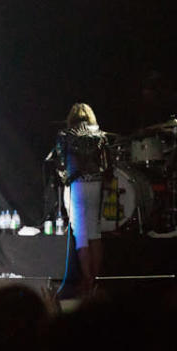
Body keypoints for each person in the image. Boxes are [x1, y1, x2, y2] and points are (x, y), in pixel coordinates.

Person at [56, 103, 108, 295]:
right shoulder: (100, 135)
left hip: (76, 184)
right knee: (95, 232)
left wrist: (65, 180)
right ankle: (95, 279)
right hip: (95, 183)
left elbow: (60, 162)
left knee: (81, 234)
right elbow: (106, 164)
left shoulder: (66, 134)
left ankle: (87, 281)